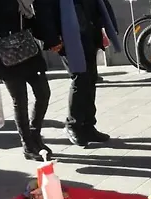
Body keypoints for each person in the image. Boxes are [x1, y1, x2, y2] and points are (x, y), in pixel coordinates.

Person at [0, 0, 60, 161]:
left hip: (27, 48)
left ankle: (35, 134)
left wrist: (50, 38)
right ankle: (27, 144)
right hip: (4, 53)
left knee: (43, 93)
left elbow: (31, 18)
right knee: (20, 100)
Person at [46, 0, 121, 147]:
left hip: (89, 29)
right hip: (67, 35)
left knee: (91, 78)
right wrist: (52, 38)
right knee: (80, 78)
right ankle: (73, 125)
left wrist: (106, 25)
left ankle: (88, 125)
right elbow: (44, 9)